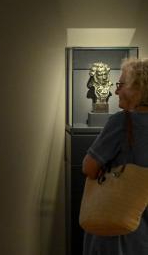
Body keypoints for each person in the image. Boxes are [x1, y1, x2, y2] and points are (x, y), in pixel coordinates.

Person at [82, 58, 148, 254]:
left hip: (117, 226)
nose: (116, 91)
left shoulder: (122, 122)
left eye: (120, 85)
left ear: (139, 89)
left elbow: (89, 167)